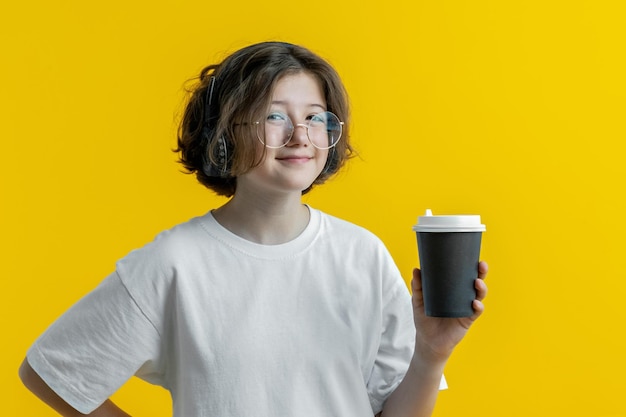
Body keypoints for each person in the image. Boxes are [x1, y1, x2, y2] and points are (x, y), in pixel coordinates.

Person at [19, 41, 489, 417]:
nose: (300, 135)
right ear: (224, 132)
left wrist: (430, 354)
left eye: (314, 117)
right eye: (274, 115)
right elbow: (49, 372)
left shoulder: (361, 255)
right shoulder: (174, 264)